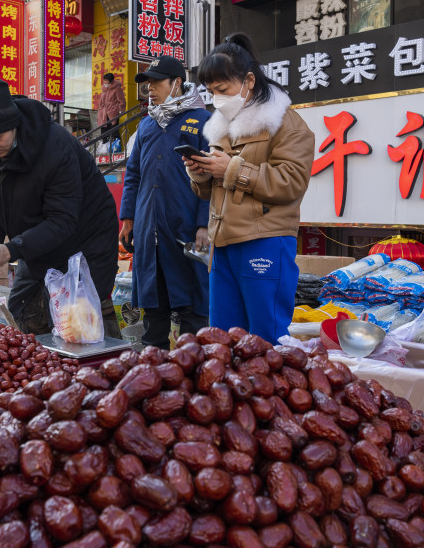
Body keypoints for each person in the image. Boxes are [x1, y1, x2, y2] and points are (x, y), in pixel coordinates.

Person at [0, 72, 120, 336]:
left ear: (12, 124)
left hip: (84, 246)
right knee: (22, 318)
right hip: (33, 245)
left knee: (82, 330)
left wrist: (10, 250)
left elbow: (63, 220)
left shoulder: (55, 145)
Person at [185, 33, 315, 343]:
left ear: (249, 81)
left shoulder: (285, 123)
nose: (216, 98)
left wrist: (230, 169)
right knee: (223, 339)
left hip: (264, 240)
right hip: (223, 244)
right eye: (211, 91)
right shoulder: (221, 128)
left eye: (223, 89)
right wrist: (201, 173)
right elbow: (213, 190)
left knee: (267, 338)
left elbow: (292, 181)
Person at [119, 55, 211, 348]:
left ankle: (191, 365)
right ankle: (152, 364)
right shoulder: (146, 126)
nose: (150, 89)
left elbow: (213, 178)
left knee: (191, 306)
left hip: (184, 227)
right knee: (153, 303)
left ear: (177, 83)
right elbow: (133, 174)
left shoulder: (202, 120)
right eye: (147, 84)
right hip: (148, 227)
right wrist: (129, 218)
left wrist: (203, 223)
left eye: (157, 82)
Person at [97, 72, 126, 140]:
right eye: (104, 80)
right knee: (104, 130)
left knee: (114, 131)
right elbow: (101, 101)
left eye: (106, 80)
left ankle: (115, 147)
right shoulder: (104, 89)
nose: (105, 82)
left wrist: (120, 110)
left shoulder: (117, 88)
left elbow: (121, 100)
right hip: (104, 112)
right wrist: (100, 109)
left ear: (111, 80)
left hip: (113, 111)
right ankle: (105, 146)